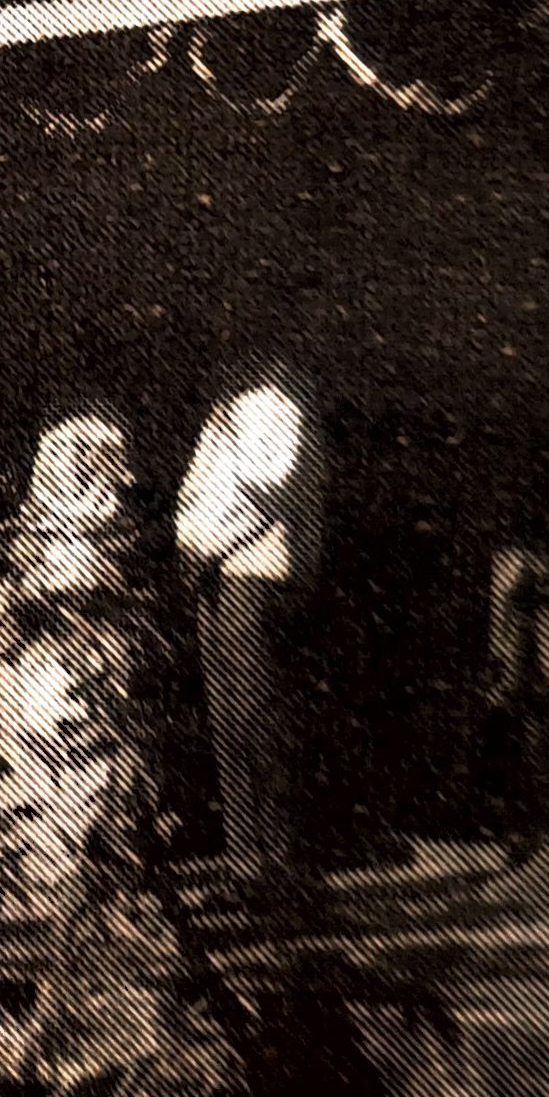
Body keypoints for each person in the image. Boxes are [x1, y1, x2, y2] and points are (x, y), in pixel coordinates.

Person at [176, 364, 327, 878]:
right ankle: (244, 858)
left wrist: (212, 550)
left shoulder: (274, 406)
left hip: (247, 574)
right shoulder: (221, 413)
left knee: (257, 716)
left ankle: (278, 857)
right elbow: (196, 496)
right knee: (226, 722)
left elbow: (269, 497)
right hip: (210, 578)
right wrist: (190, 550)